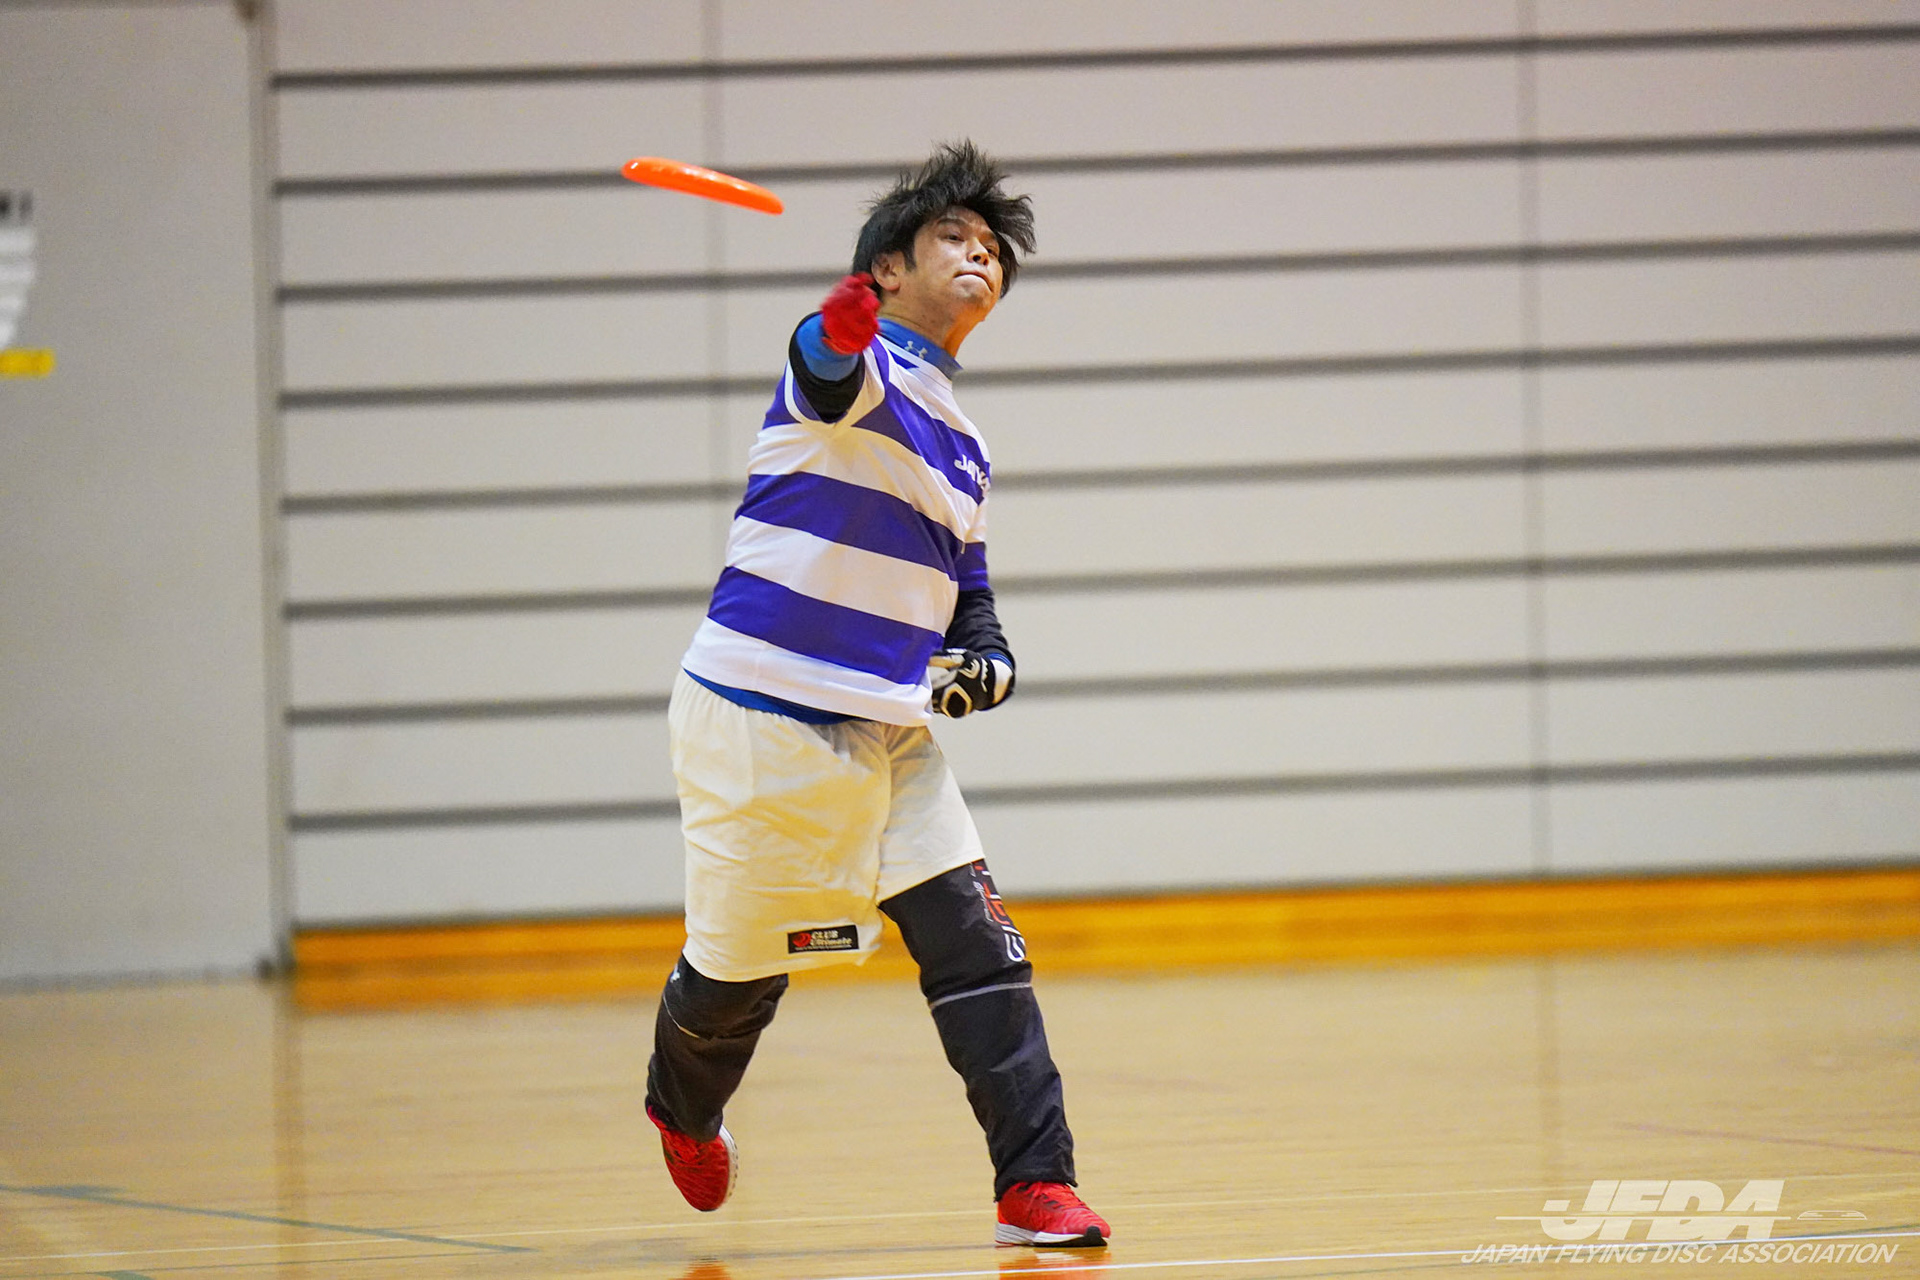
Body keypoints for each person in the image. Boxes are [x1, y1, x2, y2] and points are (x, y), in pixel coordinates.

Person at [642, 141, 1110, 1249]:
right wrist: (837, 325)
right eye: (956, 235)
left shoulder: (967, 442)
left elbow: (967, 590)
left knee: (982, 950)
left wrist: (987, 657)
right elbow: (819, 364)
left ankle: (1034, 1184)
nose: (982, 255)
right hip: (758, 716)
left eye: (994, 248)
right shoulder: (850, 372)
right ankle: (682, 1107)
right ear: (887, 270)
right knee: (739, 979)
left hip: (893, 733)